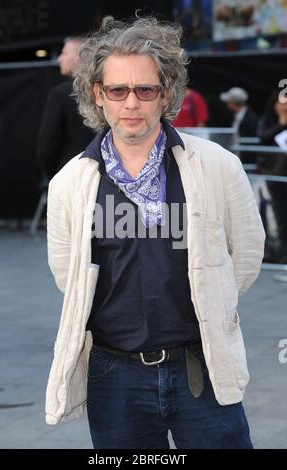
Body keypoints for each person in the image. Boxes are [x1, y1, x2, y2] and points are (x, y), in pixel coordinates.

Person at [45, 16, 265, 449]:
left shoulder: (217, 165)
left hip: (201, 369)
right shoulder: (70, 183)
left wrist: (211, 298)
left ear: (165, 94)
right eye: (118, 90)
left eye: (145, 89)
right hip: (114, 377)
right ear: (98, 95)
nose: (132, 102)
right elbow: (66, 275)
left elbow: (245, 256)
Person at [36, 36, 94, 179]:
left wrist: (54, 177)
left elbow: (46, 147)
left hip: (69, 176)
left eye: (64, 53)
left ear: (79, 57)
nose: (59, 59)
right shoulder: (108, 91)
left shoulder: (59, 94)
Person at [257, 90, 287, 263]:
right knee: (280, 217)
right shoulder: (268, 121)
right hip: (275, 179)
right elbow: (263, 137)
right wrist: (282, 124)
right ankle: (283, 256)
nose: (284, 106)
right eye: (281, 102)